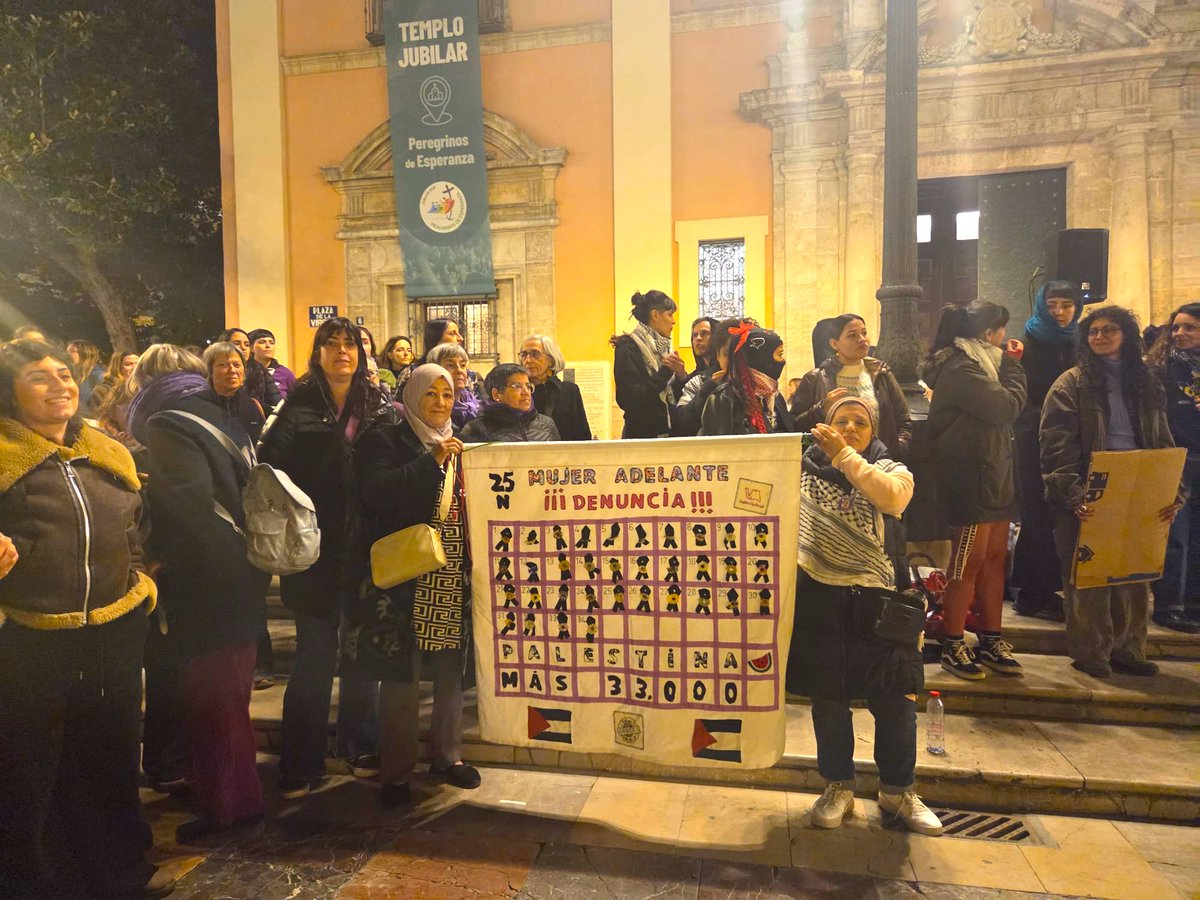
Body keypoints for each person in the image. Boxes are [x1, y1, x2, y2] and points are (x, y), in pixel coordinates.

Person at [0, 340, 175, 898]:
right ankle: (38, 881)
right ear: (10, 392)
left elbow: (136, 528)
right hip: (31, 636)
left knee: (111, 755)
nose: (59, 385)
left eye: (63, 374)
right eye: (38, 377)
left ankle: (119, 872)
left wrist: (139, 582)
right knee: (32, 767)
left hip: (114, 630)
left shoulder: (107, 450)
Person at [787, 396, 943, 837]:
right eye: (841, 421)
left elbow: (890, 499)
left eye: (860, 422)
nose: (851, 427)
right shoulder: (799, 470)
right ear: (824, 425)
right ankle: (838, 787)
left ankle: (898, 791)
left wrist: (843, 454)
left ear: (874, 432)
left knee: (895, 703)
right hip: (821, 598)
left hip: (881, 602)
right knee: (830, 702)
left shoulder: (893, 470)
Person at [258, 317, 397, 799]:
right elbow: (270, 471)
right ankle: (301, 760)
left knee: (362, 658)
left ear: (361, 353)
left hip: (367, 551)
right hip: (315, 551)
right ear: (317, 353)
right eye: (331, 344)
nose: (342, 352)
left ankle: (359, 746)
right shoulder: (294, 406)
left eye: (350, 344)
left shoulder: (379, 405)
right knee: (314, 659)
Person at [139, 344, 271, 843]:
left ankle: (228, 807)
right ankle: (236, 796)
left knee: (211, 699)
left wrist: (156, 558)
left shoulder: (167, 424)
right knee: (230, 698)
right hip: (242, 571)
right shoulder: (224, 417)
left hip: (205, 581)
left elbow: (186, 505)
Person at [355, 364, 480, 806]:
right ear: (412, 396)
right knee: (402, 676)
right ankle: (396, 772)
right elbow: (377, 492)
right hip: (407, 572)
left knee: (450, 667)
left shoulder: (462, 443)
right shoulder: (385, 439)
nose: (441, 403)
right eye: (431, 394)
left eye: (447, 394)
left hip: (450, 571)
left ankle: (448, 755)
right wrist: (431, 462)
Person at [1041, 306, 1182, 677]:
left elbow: (1163, 435)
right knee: (1089, 574)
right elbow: (1056, 445)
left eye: (1109, 330)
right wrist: (1073, 493)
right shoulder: (1070, 383)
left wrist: (1172, 491)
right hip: (1092, 481)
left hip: (1142, 479)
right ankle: (1092, 653)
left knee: (1135, 572)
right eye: (1093, 331)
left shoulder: (1146, 380)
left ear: (1127, 336)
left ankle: (1129, 649)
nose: (1100, 337)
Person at [921, 301, 1027, 680]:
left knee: (996, 559)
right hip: (971, 481)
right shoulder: (961, 367)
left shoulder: (984, 364)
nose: (1005, 340)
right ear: (988, 334)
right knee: (968, 562)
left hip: (996, 475)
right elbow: (1003, 408)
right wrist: (1014, 368)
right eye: (1001, 331)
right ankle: (952, 641)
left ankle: (992, 637)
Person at [126, 345, 210, 797]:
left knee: (167, 668)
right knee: (179, 667)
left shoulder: (143, 430)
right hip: (190, 564)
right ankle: (173, 760)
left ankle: (166, 760)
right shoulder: (196, 418)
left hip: (161, 566)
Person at [1010, 281, 1080, 622]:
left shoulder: (1079, 343)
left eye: (1067, 305)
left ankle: (1049, 589)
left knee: (1063, 516)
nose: (1059, 312)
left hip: (1071, 442)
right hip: (1034, 441)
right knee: (1037, 515)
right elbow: (1021, 398)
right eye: (1052, 304)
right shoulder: (1027, 345)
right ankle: (1030, 593)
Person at [790, 314, 912, 460]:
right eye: (852, 335)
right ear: (835, 344)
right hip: (831, 465)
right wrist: (822, 408)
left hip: (878, 464)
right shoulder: (816, 378)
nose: (862, 339)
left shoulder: (882, 374)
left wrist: (896, 449)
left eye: (864, 333)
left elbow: (904, 421)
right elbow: (796, 428)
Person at [1146, 303, 1200, 633]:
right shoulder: (1160, 368)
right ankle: (1169, 605)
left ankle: (1193, 602)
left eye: (1190, 327)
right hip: (1174, 457)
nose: (1180, 334)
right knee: (1173, 535)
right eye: (1176, 327)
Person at [611, 290, 687, 438]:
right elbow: (628, 399)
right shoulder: (628, 348)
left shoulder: (667, 349)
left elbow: (675, 398)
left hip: (671, 434)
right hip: (641, 438)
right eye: (670, 314)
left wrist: (681, 375)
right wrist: (665, 372)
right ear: (655, 315)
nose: (673, 321)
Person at [699, 323, 795, 435]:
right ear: (762, 360)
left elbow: (790, 436)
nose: (782, 361)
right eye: (779, 354)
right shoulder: (723, 398)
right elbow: (719, 448)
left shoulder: (774, 397)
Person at [461, 363, 561, 442]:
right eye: (517, 386)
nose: (526, 392)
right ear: (496, 394)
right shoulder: (477, 428)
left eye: (528, 386)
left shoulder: (547, 424)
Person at [520, 334, 592, 441]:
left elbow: (582, 435)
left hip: (564, 455)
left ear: (551, 359)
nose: (528, 360)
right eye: (524, 355)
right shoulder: (517, 392)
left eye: (535, 354)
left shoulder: (569, 391)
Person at [201, 341, 266, 441]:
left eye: (237, 365)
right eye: (223, 365)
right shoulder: (198, 406)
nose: (232, 370)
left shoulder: (253, 406)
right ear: (210, 371)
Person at [219, 327, 281, 413]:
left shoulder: (260, 370)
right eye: (237, 343)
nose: (243, 348)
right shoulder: (216, 370)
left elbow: (276, 403)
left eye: (247, 344)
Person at [427, 342, 480, 428]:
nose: (459, 370)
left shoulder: (476, 406)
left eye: (462, 365)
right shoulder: (435, 409)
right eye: (450, 365)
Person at [248, 328, 297, 399]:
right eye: (262, 342)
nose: (268, 346)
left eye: (272, 343)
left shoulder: (285, 373)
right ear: (251, 348)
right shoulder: (245, 371)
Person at [67, 339, 105, 409]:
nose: (67, 354)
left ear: (85, 353)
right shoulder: (72, 374)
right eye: (67, 351)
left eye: (72, 351)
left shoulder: (98, 375)